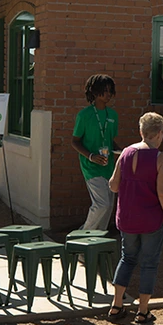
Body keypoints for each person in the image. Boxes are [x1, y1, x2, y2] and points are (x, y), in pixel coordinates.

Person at [108, 112, 163, 325]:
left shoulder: (126, 153)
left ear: (141, 132)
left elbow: (113, 185)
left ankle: (116, 305)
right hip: (151, 219)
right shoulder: (161, 158)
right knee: (149, 263)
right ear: (159, 134)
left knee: (127, 258)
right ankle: (142, 310)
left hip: (127, 217)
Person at [71, 75, 119, 232]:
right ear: (95, 92)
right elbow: (75, 141)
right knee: (102, 204)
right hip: (91, 166)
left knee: (109, 206)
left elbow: (110, 140)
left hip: (108, 166)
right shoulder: (84, 115)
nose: (108, 94)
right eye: (104, 91)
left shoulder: (113, 115)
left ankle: (98, 241)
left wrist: (122, 151)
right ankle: (82, 237)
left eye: (110, 91)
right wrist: (91, 156)